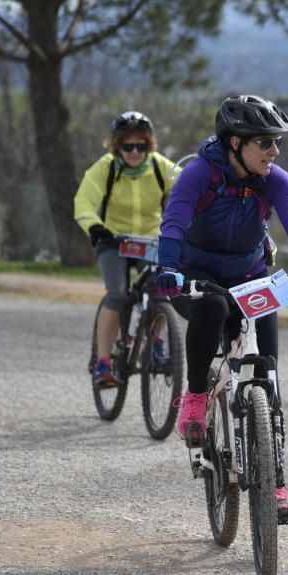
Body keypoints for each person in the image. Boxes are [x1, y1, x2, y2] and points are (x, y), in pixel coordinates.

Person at [154, 94, 288, 521]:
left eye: (277, 143)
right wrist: (167, 268)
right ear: (235, 142)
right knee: (214, 309)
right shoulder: (200, 173)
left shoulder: (274, 178)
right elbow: (175, 221)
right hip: (193, 277)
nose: (274, 152)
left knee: (267, 373)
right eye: (265, 142)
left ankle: (275, 483)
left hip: (251, 273)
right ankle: (197, 396)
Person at [74, 111, 180, 388]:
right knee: (118, 294)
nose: (134, 152)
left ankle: (155, 343)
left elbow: (189, 190)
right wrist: (95, 227)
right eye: (127, 146)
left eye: (141, 146)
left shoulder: (160, 167)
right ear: (116, 147)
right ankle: (103, 363)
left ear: (149, 146)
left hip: (150, 241)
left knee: (161, 291)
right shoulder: (105, 168)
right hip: (114, 240)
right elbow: (83, 203)